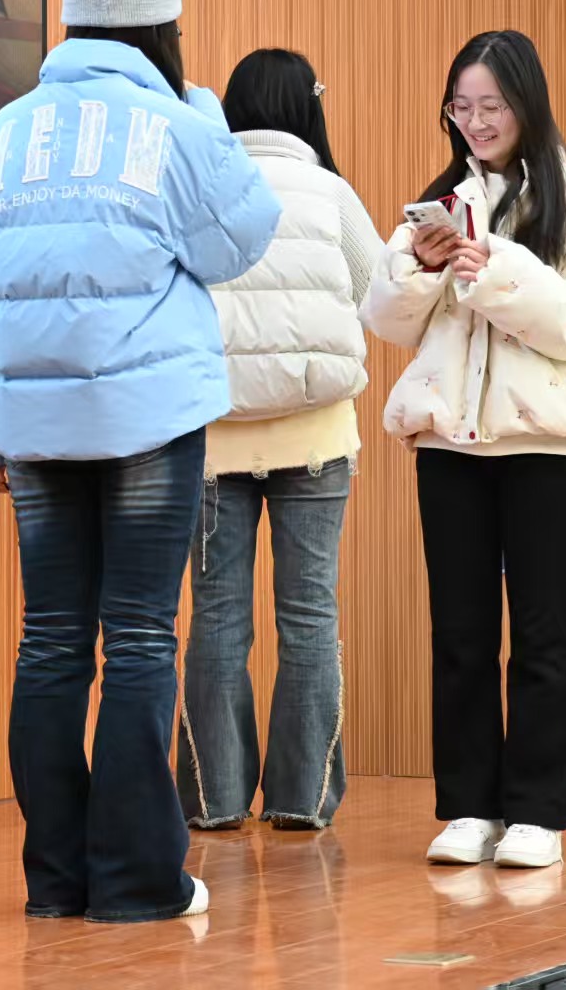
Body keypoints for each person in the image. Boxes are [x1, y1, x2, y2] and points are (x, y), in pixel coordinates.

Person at [0, 0, 280, 922]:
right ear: (161, 30)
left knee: (50, 642)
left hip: (34, 433)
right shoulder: (176, 130)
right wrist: (202, 113)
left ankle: (58, 879)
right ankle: (136, 881)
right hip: (146, 422)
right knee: (137, 638)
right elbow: (243, 237)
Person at [365, 29, 566, 869]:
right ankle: (469, 808)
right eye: (461, 107)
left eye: (491, 106)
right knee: (461, 632)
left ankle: (537, 813)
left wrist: (498, 271)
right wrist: (418, 266)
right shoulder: (439, 201)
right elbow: (384, 323)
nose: (475, 122)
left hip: (545, 445)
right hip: (450, 443)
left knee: (545, 630)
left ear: (526, 106)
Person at [176, 48, 382, 833]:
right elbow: (375, 292)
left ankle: (216, 798)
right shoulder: (331, 193)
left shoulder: (203, 190)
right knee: (310, 616)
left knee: (218, 617)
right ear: (308, 108)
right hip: (317, 433)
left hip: (213, 436)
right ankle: (302, 797)